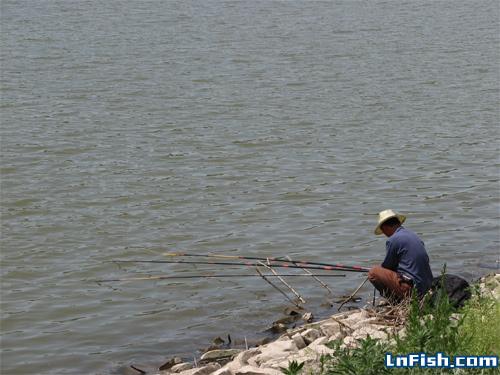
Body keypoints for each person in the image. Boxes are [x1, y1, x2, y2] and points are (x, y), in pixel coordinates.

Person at [368, 209, 433, 303]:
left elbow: (388, 267)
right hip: (426, 287)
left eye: (383, 230)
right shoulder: (413, 235)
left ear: (385, 227)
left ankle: (397, 302)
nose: (384, 234)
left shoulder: (393, 239)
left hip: (414, 290)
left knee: (373, 272)